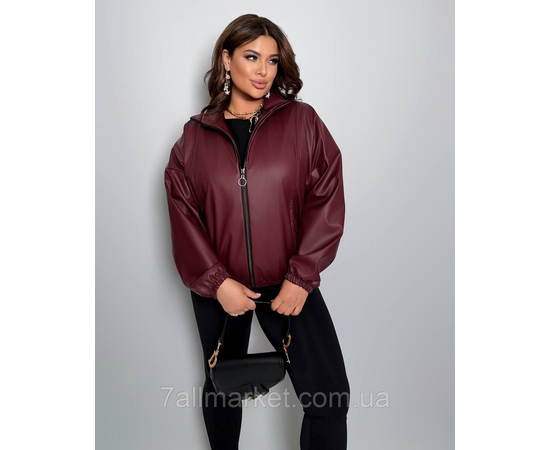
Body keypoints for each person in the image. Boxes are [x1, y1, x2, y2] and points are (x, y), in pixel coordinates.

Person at [164, 14, 350, 450]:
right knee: (222, 389)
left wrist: (302, 276)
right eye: (251, 57)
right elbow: (183, 216)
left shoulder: (302, 122)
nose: (263, 70)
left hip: (288, 282)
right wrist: (217, 283)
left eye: (272, 60)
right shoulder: (194, 137)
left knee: (328, 395)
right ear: (226, 60)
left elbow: (326, 196)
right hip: (221, 289)